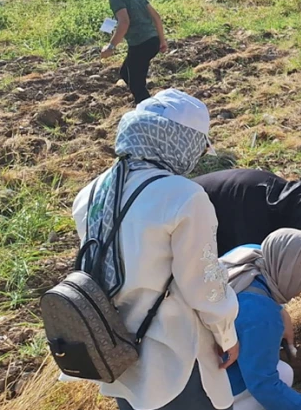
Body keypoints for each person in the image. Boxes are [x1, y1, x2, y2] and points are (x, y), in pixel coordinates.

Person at [70, 89, 240, 410]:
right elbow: (202, 286)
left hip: (114, 354)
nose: (198, 158)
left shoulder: (91, 193)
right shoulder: (183, 196)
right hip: (176, 359)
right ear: (181, 141)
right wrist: (227, 334)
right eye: (200, 147)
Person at [194, 168, 301, 329]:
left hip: (221, 215)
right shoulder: (256, 215)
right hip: (191, 216)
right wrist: (279, 313)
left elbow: (300, 261)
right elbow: (250, 272)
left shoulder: (283, 201)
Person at [221, 229, 301, 410]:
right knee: (279, 379)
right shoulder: (262, 314)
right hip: (204, 390)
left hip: (183, 366)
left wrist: (282, 311)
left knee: (284, 372)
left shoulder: (251, 254)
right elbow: (264, 387)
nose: (300, 291)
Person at [90, 0, 168, 105]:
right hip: (152, 41)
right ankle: (147, 103)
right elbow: (156, 16)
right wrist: (161, 40)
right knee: (126, 73)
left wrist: (111, 47)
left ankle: (149, 110)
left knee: (136, 83)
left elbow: (124, 23)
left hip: (141, 44)